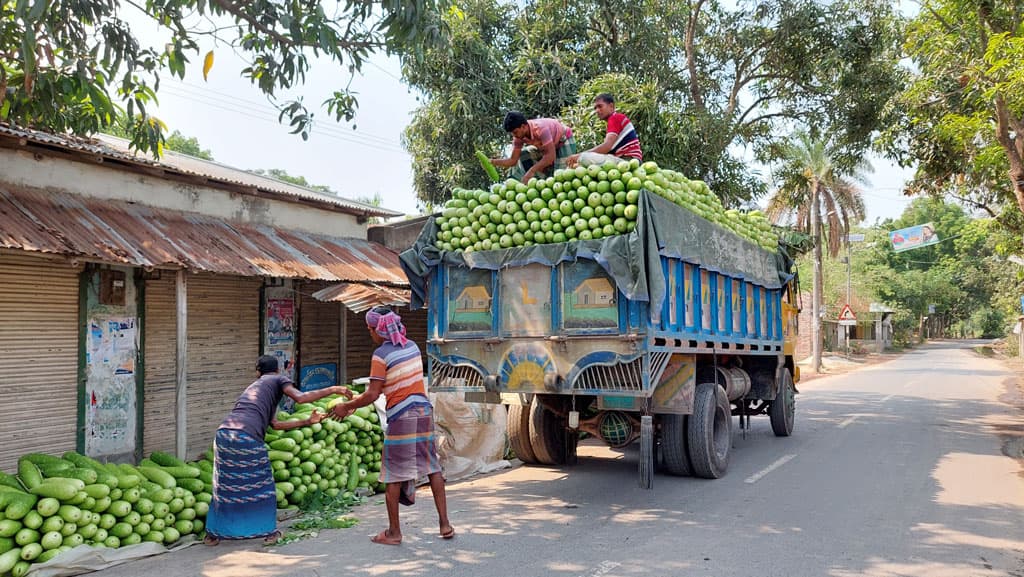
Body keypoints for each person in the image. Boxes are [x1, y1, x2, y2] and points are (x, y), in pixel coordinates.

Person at [329, 306, 453, 545]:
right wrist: (356, 403)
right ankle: (445, 524)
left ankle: (394, 532)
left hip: (402, 415)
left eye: (370, 329)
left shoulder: (381, 355)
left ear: (379, 329)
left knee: (394, 474)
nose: (370, 333)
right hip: (423, 411)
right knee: (432, 466)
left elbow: (373, 393)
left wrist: (347, 406)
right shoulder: (413, 347)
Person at [204, 355, 353, 546]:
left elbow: (274, 424)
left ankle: (212, 535)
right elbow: (300, 397)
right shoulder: (276, 379)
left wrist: (307, 421)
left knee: (226, 486)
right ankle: (268, 532)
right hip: (246, 437)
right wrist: (335, 389)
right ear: (278, 371)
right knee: (262, 485)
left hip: (224, 435)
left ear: (258, 371)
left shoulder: (257, 388)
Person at [491, 112, 576, 183]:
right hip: (546, 147)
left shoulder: (540, 129)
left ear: (523, 126)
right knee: (524, 155)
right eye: (512, 133)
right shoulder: (518, 137)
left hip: (563, 141)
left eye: (515, 132)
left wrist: (532, 171)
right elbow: (513, 160)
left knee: (560, 177)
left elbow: (550, 156)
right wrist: (492, 162)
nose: (514, 135)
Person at [566, 93, 643, 168]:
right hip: (627, 160)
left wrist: (579, 156)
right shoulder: (615, 119)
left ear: (611, 106)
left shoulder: (615, 118)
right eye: (595, 108)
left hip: (628, 161)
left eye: (600, 106)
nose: (597, 110)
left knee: (584, 157)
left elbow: (606, 146)